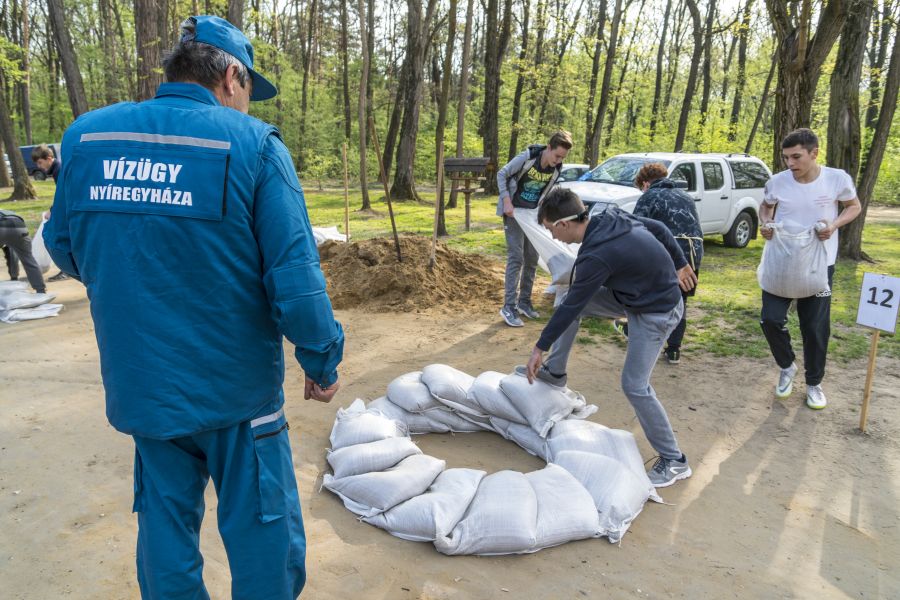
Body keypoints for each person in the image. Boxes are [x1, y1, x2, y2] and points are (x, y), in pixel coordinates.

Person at [43, 15, 344, 598]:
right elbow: (296, 280)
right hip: (237, 394)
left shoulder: (88, 137)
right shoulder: (254, 145)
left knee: (164, 527)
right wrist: (322, 358)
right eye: (250, 89)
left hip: (144, 388)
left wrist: (130, 278)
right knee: (264, 532)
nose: (249, 103)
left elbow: (64, 245)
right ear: (231, 76)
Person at [523, 188, 697, 487]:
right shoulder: (609, 218)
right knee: (565, 300)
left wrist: (539, 347)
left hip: (657, 312)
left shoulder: (596, 256)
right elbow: (658, 227)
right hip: (632, 296)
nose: (553, 237)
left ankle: (674, 461)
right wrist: (680, 262)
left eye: (551, 229)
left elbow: (577, 302)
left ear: (564, 223)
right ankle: (555, 372)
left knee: (635, 385)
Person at [759, 128, 860, 410]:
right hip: (781, 264)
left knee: (815, 327)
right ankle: (787, 365)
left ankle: (814, 383)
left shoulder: (836, 179)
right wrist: (765, 224)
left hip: (819, 266)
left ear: (814, 153)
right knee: (770, 319)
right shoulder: (777, 182)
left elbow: (854, 206)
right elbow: (765, 208)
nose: (790, 164)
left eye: (796, 157)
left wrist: (834, 225)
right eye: (786, 158)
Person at [496, 130, 572, 327]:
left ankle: (524, 303)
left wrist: (543, 215)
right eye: (557, 155)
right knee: (516, 257)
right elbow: (502, 174)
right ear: (549, 148)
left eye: (562, 157)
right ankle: (509, 307)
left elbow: (544, 194)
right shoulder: (528, 158)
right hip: (513, 212)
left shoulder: (555, 170)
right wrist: (506, 202)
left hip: (531, 216)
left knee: (532, 258)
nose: (558, 160)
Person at [632, 162, 703, 364]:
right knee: (679, 300)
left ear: (645, 183)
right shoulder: (685, 196)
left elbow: (637, 228)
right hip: (692, 253)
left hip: (667, 254)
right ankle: (674, 350)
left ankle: (644, 339)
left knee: (650, 296)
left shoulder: (649, 196)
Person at [31, 145, 69, 282]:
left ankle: (66, 270)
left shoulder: (58, 169)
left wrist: (52, 211)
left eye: (40, 162)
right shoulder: (56, 169)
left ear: (49, 158)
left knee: (63, 237)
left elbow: (63, 193)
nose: (39, 166)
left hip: (69, 210)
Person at [1, 209, 47, 294]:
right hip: (19, 226)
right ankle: (41, 290)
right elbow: (11, 253)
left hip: (2, 227)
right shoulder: (5, 211)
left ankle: (14, 278)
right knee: (28, 258)